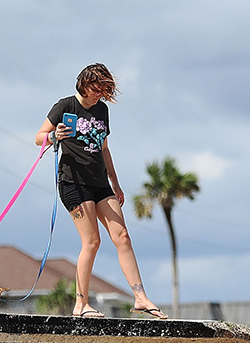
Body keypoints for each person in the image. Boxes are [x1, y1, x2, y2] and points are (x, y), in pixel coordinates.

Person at [35, 63, 166, 320]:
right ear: (84, 84)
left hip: (100, 184)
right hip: (73, 183)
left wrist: (115, 183)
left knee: (123, 236)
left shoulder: (102, 110)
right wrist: (54, 137)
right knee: (92, 242)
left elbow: (104, 148)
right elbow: (38, 136)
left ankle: (140, 297)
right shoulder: (64, 106)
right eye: (97, 89)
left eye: (103, 91)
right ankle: (81, 304)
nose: (99, 95)